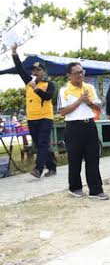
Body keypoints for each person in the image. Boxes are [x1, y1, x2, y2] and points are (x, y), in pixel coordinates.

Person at [57, 62, 108, 199]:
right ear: (69, 75)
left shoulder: (89, 87)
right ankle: (75, 188)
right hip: (73, 126)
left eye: (81, 72)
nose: (80, 75)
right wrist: (80, 100)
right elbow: (63, 112)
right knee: (75, 159)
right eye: (76, 73)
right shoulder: (64, 91)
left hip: (89, 124)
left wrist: (90, 102)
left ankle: (96, 190)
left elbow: (98, 108)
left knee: (93, 158)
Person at [10, 44, 57, 178]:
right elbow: (20, 69)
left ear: (43, 71)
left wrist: (36, 89)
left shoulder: (49, 84)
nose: (35, 73)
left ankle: (38, 169)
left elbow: (48, 97)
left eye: (38, 70)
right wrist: (14, 52)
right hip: (32, 119)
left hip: (45, 118)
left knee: (42, 142)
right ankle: (52, 167)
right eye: (34, 71)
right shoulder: (29, 82)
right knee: (40, 145)